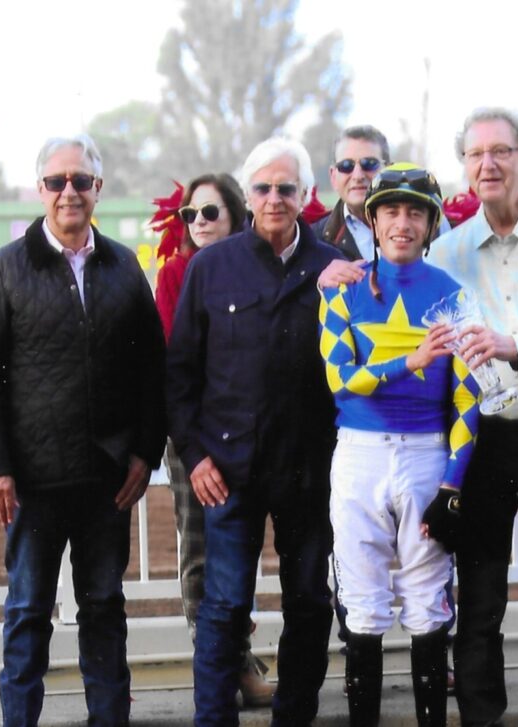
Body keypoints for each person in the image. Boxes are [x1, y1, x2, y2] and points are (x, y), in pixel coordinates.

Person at [320, 106, 518, 727]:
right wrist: (337, 272)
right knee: (478, 598)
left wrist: (516, 347)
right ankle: (480, 716)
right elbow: (387, 282)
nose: (488, 164)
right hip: (482, 442)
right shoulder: (446, 250)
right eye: (476, 154)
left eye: (501, 151)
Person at [0, 133, 166, 727]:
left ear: (98, 189)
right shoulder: (7, 267)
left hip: (106, 481)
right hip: (31, 482)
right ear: (40, 190)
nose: (69, 192)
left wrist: (143, 454)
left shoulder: (126, 267)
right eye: (57, 182)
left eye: (81, 180)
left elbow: (152, 370)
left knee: (104, 607)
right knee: (27, 611)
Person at [166, 137, 342, 727]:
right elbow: (181, 374)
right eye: (263, 188)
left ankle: (295, 715)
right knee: (223, 608)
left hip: (309, 473)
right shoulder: (211, 268)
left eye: (286, 188)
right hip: (227, 473)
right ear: (248, 195)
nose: (274, 198)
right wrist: (194, 457)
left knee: (311, 603)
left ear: (306, 195)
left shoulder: (333, 270)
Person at [319, 163, 481, 727]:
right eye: (391, 211)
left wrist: (452, 484)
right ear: (373, 219)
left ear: (432, 223)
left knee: (428, 604)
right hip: (359, 454)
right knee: (361, 607)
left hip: (425, 456)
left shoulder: (456, 296)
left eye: (415, 212)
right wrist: (408, 362)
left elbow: (468, 399)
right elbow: (342, 379)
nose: (402, 223)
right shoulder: (341, 294)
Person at [152, 173, 275, 708]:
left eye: (210, 213)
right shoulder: (178, 273)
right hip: (195, 438)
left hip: (253, 434)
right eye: (190, 215)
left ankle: (237, 659)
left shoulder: (261, 267)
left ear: (235, 215)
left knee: (241, 555)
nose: (198, 224)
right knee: (202, 553)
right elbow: (176, 364)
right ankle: (225, 670)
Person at [313, 125, 391, 260]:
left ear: (389, 171)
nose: (358, 176)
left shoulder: (422, 229)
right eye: (346, 166)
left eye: (369, 164)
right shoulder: (314, 241)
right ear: (333, 177)